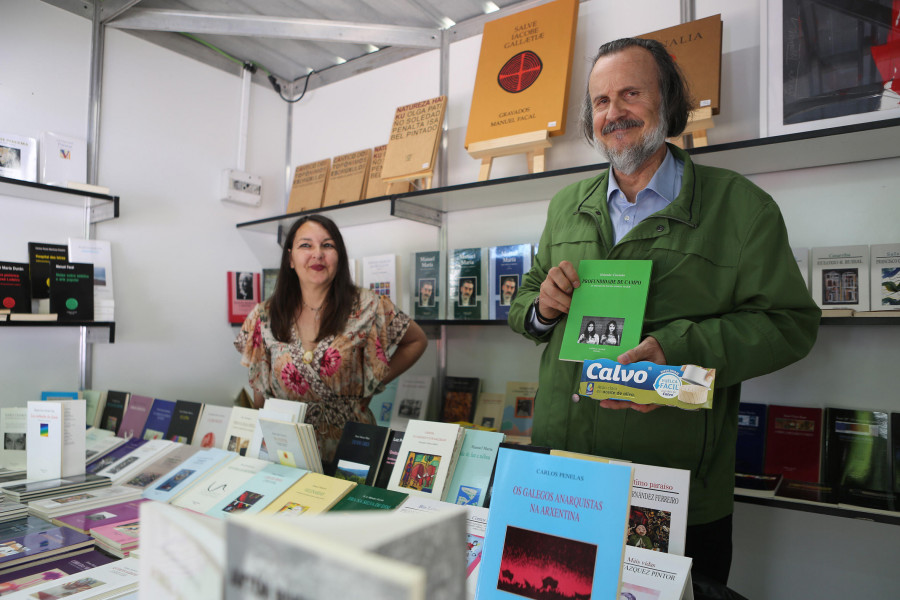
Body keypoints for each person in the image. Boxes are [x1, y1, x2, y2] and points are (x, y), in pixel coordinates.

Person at [508, 37, 820, 585]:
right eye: (601, 101)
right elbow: (526, 301)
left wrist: (678, 350)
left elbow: (788, 324)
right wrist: (543, 306)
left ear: (669, 101)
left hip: (669, 487)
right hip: (561, 471)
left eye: (631, 93)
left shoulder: (740, 208)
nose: (614, 112)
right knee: (548, 585)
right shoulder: (567, 205)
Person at [235, 214, 428, 470]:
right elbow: (260, 388)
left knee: (351, 509)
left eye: (327, 245)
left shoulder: (368, 306)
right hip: (287, 450)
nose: (318, 254)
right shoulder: (264, 315)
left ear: (339, 257)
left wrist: (371, 383)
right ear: (290, 258)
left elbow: (417, 340)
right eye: (306, 245)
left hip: (351, 445)